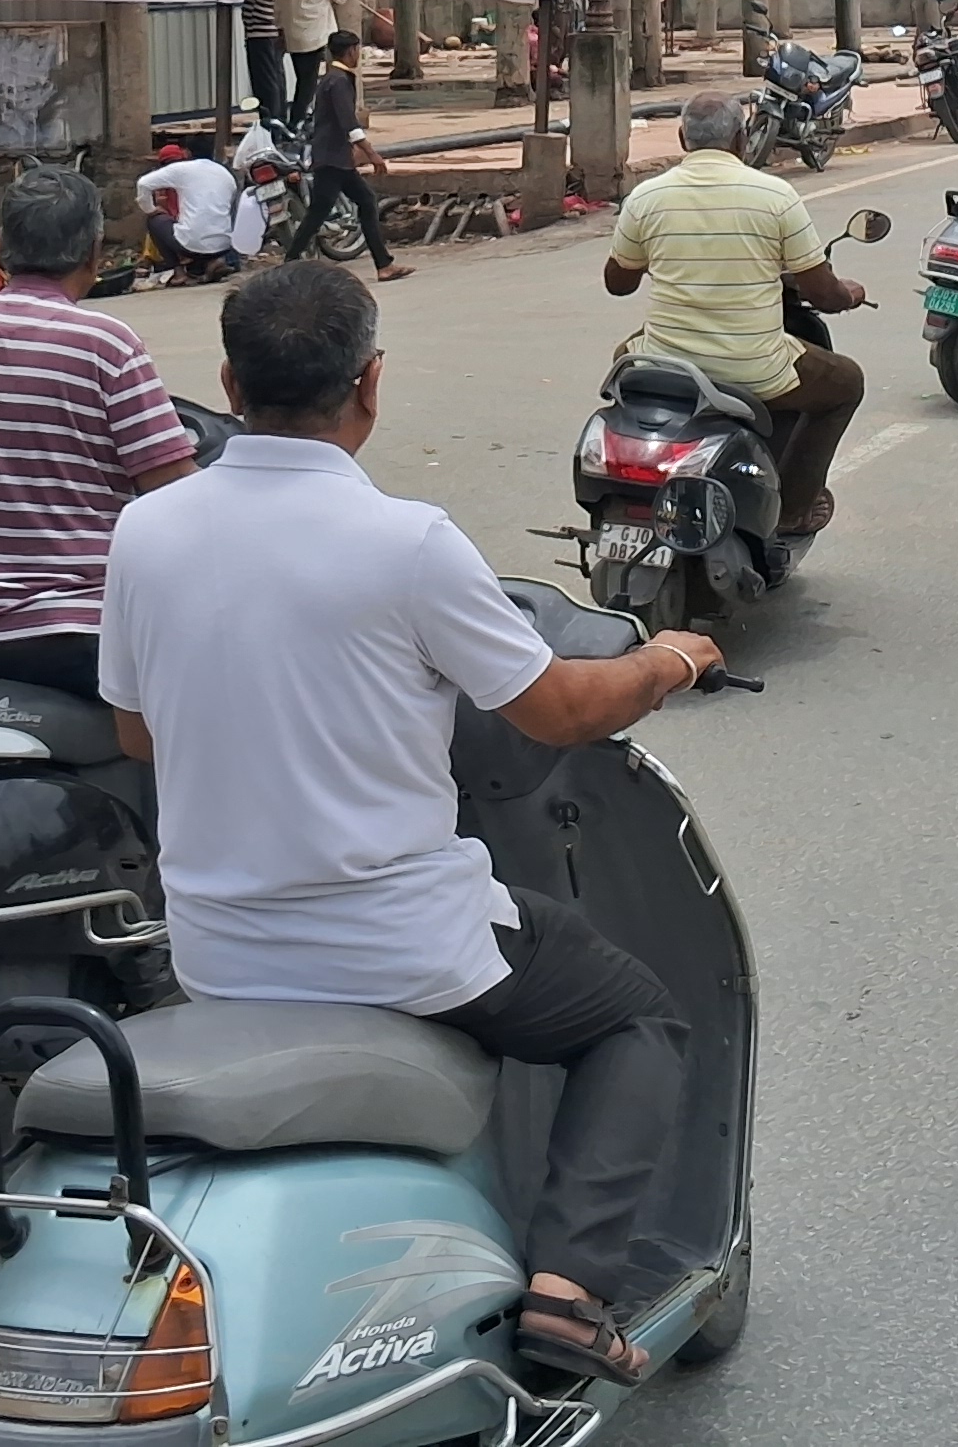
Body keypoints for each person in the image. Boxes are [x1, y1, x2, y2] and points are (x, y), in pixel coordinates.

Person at [101, 264, 722, 1385]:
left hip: (220, 950)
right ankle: (571, 1291)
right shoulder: (409, 542)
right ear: (370, 386)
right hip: (403, 952)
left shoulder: (145, 531)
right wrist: (670, 657)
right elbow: (563, 707)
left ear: (232, 384)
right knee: (635, 1018)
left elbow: (138, 735)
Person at [0, 162, 202, 699]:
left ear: (5, 249)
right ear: (94, 254)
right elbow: (176, 495)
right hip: (74, 635)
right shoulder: (107, 343)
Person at [601, 87, 866, 532]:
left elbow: (618, 283)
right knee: (846, 384)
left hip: (665, 364)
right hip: (754, 369)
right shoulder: (776, 196)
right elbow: (822, 293)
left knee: (622, 360)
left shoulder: (646, 199)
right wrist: (850, 294)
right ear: (741, 141)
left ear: (683, 139)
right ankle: (794, 509)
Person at [294, 29, 413, 283]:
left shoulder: (331, 78)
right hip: (332, 158)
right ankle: (289, 262)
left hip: (335, 157)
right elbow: (349, 122)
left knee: (363, 202)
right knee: (321, 211)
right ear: (352, 52)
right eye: (357, 51)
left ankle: (384, 264)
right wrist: (372, 154)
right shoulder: (338, 81)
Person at [136, 139, 262, 279]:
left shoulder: (182, 169)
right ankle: (214, 262)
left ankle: (178, 273)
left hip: (191, 245)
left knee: (154, 221)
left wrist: (150, 210)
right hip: (225, 245)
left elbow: (143, 184)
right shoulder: (224, 173)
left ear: (188, 152)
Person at [277, 0, 340, 121]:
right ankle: (298, 121)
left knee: (303, 83)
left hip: (293, 36)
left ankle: (299, 119)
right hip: (316, 36)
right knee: (307, 85)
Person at [238, 0, 291, 131]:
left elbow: (251, 8)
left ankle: (271, 120)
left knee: (265, 81)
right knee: (275, 77)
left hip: (260, 33)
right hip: (271, 32)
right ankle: (279, 118)